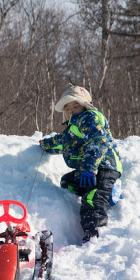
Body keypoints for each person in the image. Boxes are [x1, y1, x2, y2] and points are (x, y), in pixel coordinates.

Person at [39, 85, 122, 242]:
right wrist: (44, 145)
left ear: (85, 106)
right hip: (87, 171)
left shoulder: (91, 118)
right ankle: (102, 189)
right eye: (67, 108)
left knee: (92, 199)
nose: (71, 110)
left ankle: (94, 233)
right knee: (67, 182)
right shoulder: (72, 129)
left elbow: (99, 141)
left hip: (104, 167)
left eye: (76, 106)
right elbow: (61, 142)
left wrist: (90, 168)